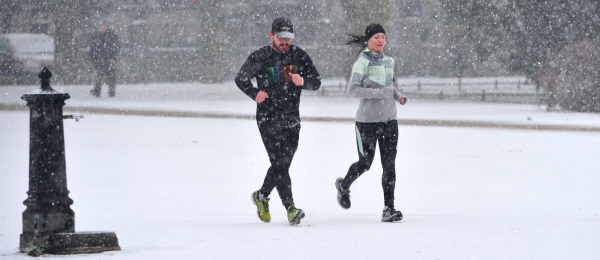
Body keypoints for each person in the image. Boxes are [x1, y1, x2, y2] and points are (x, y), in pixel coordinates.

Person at [235, 17, 321, 225]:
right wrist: (255, 93)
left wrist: (303, 82)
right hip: (268, 118)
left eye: (288, 37)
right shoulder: (261, 56)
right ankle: (291, 209)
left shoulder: (298, 55)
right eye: (281, 37)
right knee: (280, 164)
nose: (285, 41)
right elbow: (241, 78)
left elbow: (316, 82)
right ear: (271, 34)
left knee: (283, 162)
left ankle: (262, 195)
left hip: (292, 117)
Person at [335, 24, 407, 222]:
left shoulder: (389, 61)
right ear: (368, 40)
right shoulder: (361, 63)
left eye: (383, 36)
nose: (381, 40)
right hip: (367, 122)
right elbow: (352, 90)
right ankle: (344, 186)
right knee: (365, 163)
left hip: (390, 120)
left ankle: (388, 208)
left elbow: (391, 87)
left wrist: (399, 96)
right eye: (376, 36)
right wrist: (378, 94)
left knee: (389, 165)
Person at [89, 20, 120, 98]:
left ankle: (111, 91)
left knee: (111, 76)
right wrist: (92, 59)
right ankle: (97, 90)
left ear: (106, 26)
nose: (101, 28)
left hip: (109, 59)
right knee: (98, 76)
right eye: (99, 26)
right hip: (99, 59)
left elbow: (116, 47)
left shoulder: (112, 35)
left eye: (102, 26)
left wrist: (114, 57)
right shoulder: (96, 35)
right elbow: (92, 48)